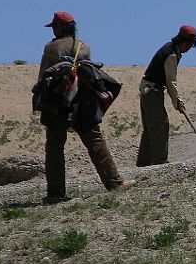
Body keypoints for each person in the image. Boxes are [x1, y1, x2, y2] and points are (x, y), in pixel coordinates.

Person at [35, 11, 129, 203]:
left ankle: (56, 193)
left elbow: (43, 77)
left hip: (58, 103)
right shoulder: (83, 46)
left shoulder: (51, 48)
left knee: (54, 147)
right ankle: (113, 181)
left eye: (54, 26)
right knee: (95, 141)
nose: (52, 29)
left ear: (60, 27)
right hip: (83, 102)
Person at [137, 25, 196, 167]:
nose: (189, 48)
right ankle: (159, 160)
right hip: (152, 91)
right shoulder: (171, 55)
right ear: (185, 42)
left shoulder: (169, 47)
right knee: (160, 125)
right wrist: (177, 102)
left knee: (150, 128)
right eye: (190, 45)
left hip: (148, 90)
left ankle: (143, 164)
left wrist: (176, 101)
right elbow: (171, 81)